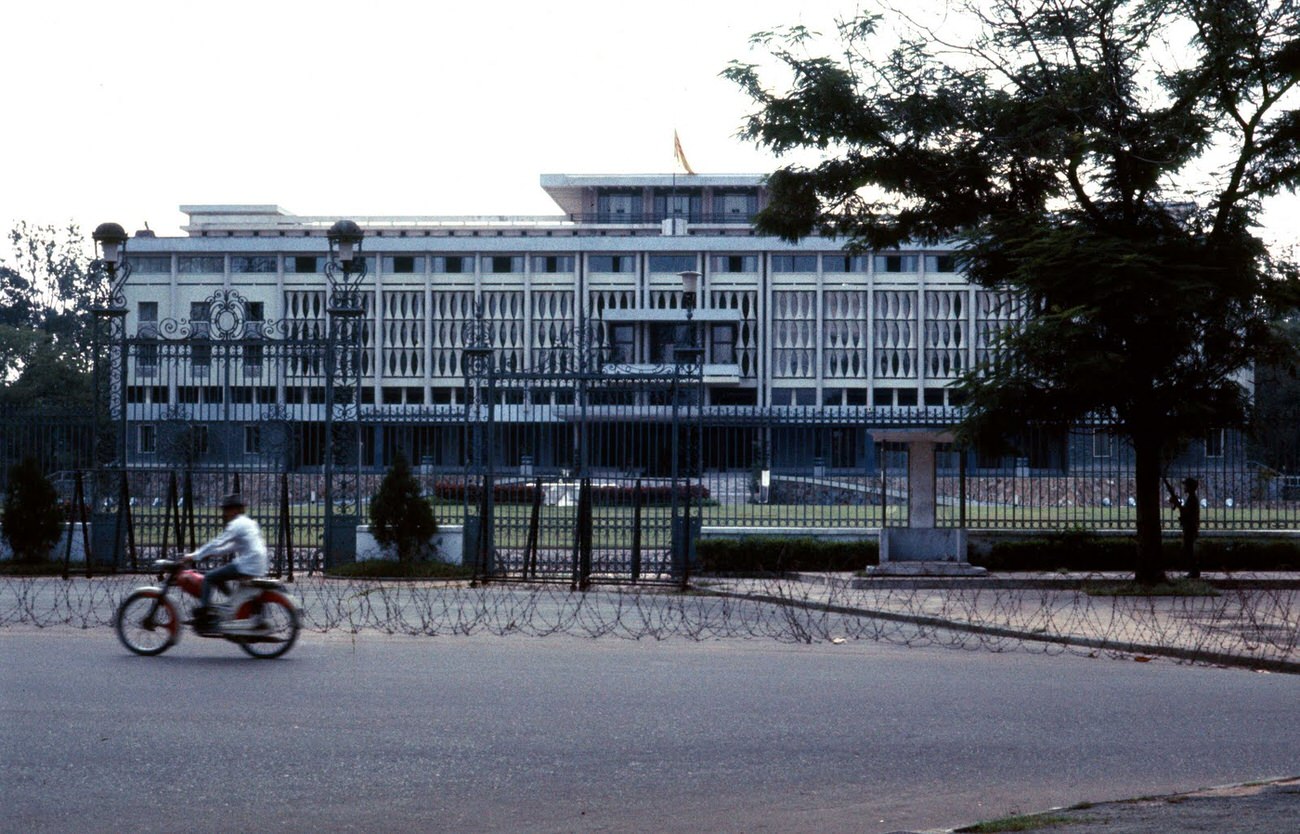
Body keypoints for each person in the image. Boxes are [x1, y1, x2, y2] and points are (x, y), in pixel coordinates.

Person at [186, 493, 268, 630]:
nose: (225, 514)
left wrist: (195, 555)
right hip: (258, 563)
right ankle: (230, 605)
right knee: (219, 575)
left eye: (227, 510)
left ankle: (204, 612)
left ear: (235, 510)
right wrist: (209, 554)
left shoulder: (236, 524)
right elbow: (228, 548)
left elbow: (218, 542)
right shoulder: (249, 523)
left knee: (209, 577)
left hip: (248, 564)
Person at [1169, 477, 1202, 579]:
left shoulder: (1192, 499)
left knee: (1189, 550)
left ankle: (1194, 572)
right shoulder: (1191, 498)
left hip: (1190, 527)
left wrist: (1177, 504)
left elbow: (1186, 513)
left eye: (1186, 485)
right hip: (1190, 527)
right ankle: (1193, 571)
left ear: (1190, 487)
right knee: (1188, 549)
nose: (1184, 487)